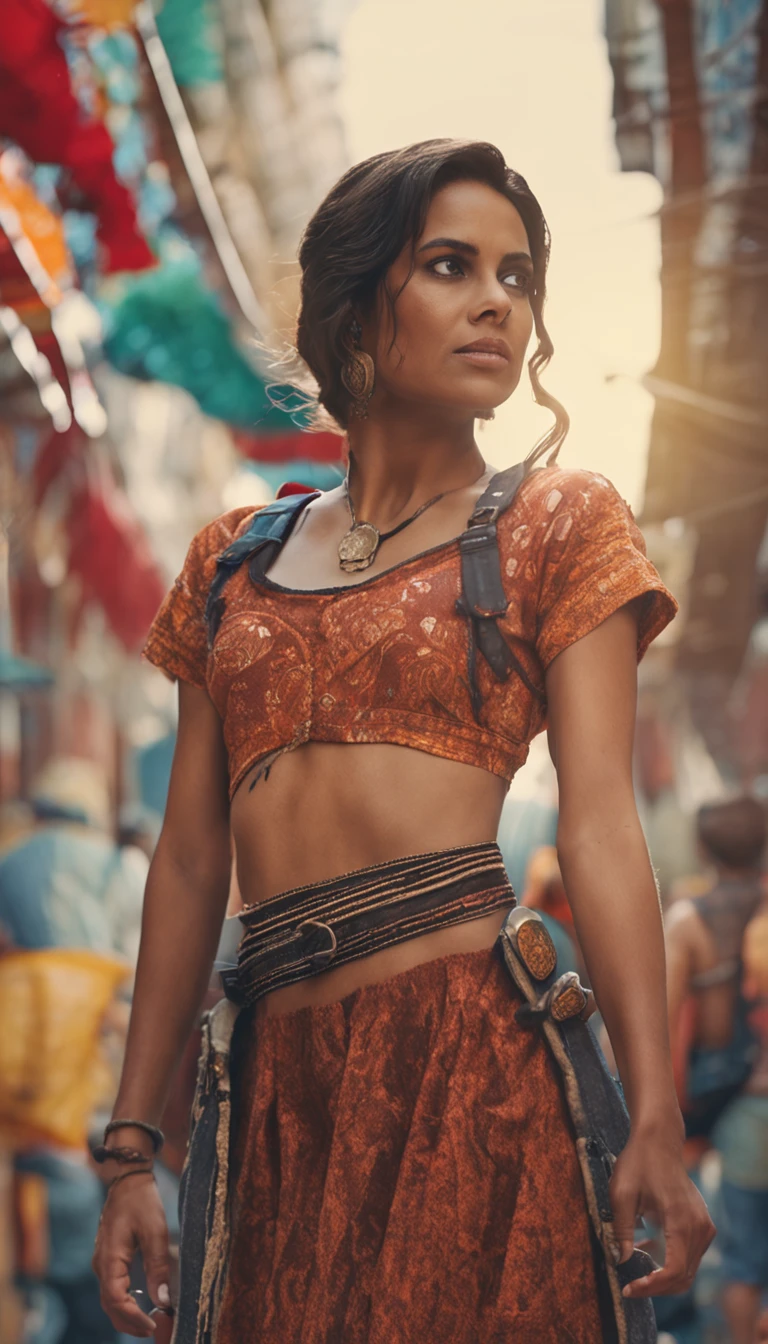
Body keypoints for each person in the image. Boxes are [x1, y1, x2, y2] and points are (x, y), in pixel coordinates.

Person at [92, 139, 713, 1342]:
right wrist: (130, 1149)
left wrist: (654, 1117)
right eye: (450, 265)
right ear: (361, 300)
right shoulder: (231, 560)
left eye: (517, 275)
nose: (498, 299)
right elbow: (187, 861)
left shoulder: (557, 522)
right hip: (274, 1092)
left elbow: (597, 822)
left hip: (472, 1063)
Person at [665, 796, 768, 1344]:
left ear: (703, 848)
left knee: (742, 1260)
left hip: (720, 1101)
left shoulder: (688, 923)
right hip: (758, 1087)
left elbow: (658, 1024)